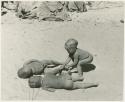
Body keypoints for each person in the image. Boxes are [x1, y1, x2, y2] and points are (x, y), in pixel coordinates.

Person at [28, 66, 98, 92]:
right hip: (64, 77)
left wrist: (50, 87)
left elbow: (52, 90)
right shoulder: (47, 75)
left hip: (66, 85)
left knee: (80, 86)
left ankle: (93, 84)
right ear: (38, 76)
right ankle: (79, 78)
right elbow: (54, 71)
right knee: (65, 76)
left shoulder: (44, 87)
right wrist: (59, 69)